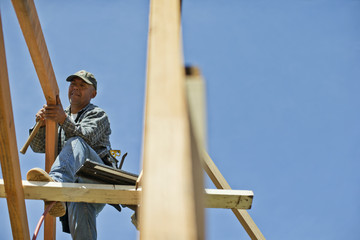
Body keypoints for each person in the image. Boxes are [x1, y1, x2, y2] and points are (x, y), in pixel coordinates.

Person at [27, 70, 116, 240]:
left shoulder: (98, 115)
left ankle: (56, 184)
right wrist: (43, 125)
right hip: (76, 183)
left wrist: (62, 119)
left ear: (93, 94)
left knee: (76, 142)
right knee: (80, 211)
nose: (76, 88)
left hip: (95, 176)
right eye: (73, 84)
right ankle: (59, 187)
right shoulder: (61, 116)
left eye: (82, 85)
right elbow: (37, 147)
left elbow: (86, 137)